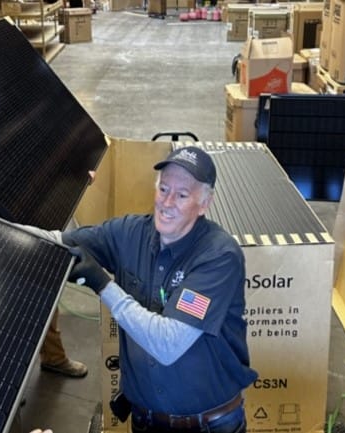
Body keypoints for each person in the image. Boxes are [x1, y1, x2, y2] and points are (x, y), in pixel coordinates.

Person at [63, 146, 258, 433]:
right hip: (146, 420)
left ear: (204, 204)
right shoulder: (129, 234)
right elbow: (59, 242)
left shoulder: (218, 256)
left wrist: (103, 285)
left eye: (182, 195)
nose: (167, 202)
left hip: (209, 426)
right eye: (163, 189)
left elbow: (168, 344)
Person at [0, 174, 88, 378]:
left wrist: (78, 176)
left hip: (30, 218)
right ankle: (5, 375)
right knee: (2, 301)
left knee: (43, 288)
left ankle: (53, 357)